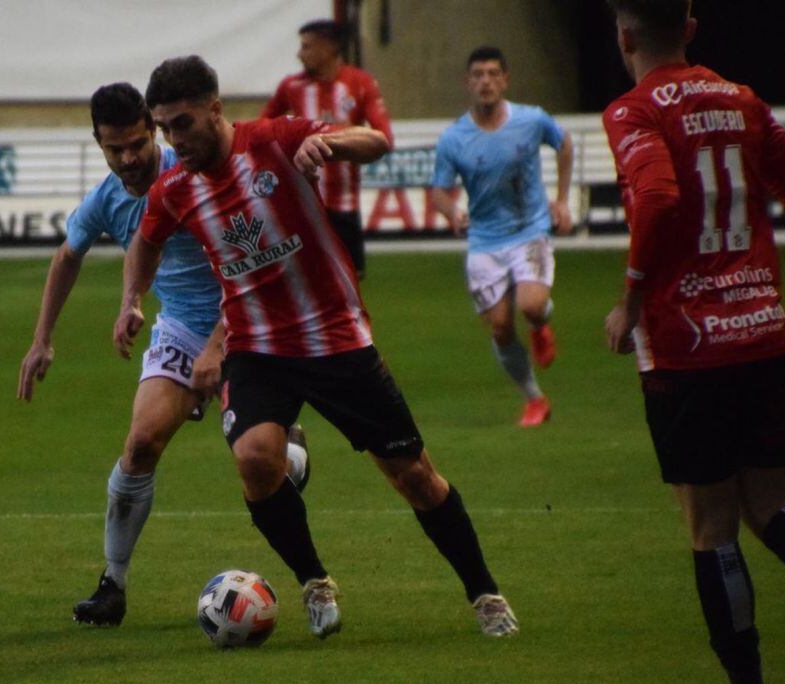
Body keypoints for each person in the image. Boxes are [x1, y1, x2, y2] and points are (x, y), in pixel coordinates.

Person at [116, 55, 518, 639]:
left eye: (182, 124)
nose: (174, 140)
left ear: (215, 109)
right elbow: (145, 241)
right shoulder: (176, 188)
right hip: (256, 348)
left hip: (335, 340)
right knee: (255, 458)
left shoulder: (275, 140)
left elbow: (376, 140)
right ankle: (314, 581)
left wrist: (331, 147)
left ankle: (484, 591)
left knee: (414, 477)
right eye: (165, 128)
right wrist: (132, 297)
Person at [16, 82, 310, 627]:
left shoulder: (196, 169)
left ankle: (287, 439)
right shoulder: (106, 197)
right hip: (178, 327)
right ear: (99, 144)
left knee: (269, 463)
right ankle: (113, 584)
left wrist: (221, 342)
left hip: (246, 318)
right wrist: (42, 340)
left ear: (153, 131)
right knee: (142, 442)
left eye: (136, 144)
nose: (128, 158)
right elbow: (66, 256)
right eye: (114, 149)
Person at [602, 0, 785, 684]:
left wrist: (630, 299)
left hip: (688, 348)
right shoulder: (744, 101)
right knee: (773, 510)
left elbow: (657, 195)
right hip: (762, 334)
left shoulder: (633, 111)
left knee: (712, 529)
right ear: (690, 28)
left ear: (624, 35)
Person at [429, 46, 574, 427]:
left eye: (493, 74)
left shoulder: (531, 120)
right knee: (500, 326)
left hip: (530, 230)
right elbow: (439, 191)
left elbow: (565, 144)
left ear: (505, 80)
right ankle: (535, 399)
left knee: (530, 304)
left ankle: (541, 325)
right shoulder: (454, 138)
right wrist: (452, 212)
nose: (486, 81)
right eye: (478, 74)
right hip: (484, 241)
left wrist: (561, 200)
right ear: (467, 83)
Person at [261, 19, 393, 280]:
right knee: (307, 282)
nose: (300, 54)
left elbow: (383, 136)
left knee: (349, 284)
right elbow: (262, 130)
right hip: (303, 203)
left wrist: (340, 141)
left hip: (344, 205)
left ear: (330, 47)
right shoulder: (292, 87)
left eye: (307, 47)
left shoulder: (360, 83)